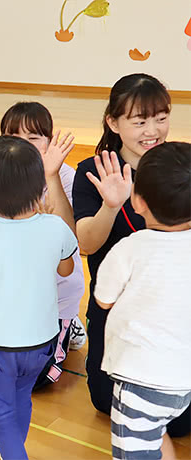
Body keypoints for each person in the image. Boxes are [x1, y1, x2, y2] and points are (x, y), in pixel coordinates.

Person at [72, 73, 190, 437]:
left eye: (161, 118)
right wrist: (111, 205)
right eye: (140, 122)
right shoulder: (93, 171)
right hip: (118, 311)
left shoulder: (180, 163)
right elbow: (87, 244)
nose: (153, 131)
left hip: (178, 310)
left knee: (181, 423)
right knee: (105, 401)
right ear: (113, 122)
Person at [0, 102, 86, 389]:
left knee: (36, 379)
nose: (23, 144)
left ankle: (68, 323)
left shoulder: (64, 174)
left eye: (33, 137)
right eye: (14, 137)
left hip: (51, 297)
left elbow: (71, 239)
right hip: (4, 295)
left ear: (48, 141)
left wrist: (51, 175)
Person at [0, 136, 77, 460]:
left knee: (1, 415)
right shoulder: (56, 227)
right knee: (21, 397)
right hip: (42, 340)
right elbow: (66, 269)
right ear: (39, 186)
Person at [94, 142, 191, 460]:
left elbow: (103, 300)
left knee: (134, 452)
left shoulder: (129, 248)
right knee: (157, 433)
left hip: (141, 380)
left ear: (137, 201)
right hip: (183, 378)